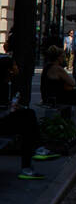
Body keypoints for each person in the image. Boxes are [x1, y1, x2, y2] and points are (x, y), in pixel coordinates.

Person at [1, 37, 60, 179]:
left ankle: (30, 163)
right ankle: (32, 160)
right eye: (14, 65)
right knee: (28, 117)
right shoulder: (2, 85)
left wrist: (13, 107)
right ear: (8, 69)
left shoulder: (6, 83)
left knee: (28, 120)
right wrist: (12, 109)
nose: (17, 68)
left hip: (3, 119)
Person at [41, 44, 76, 134]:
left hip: (49, 95)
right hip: (57, 97)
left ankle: (74, 124)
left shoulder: (47, 67)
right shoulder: (58, 69)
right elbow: (72, 82)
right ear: (58, 58)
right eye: (63, 57)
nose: (64, 59)